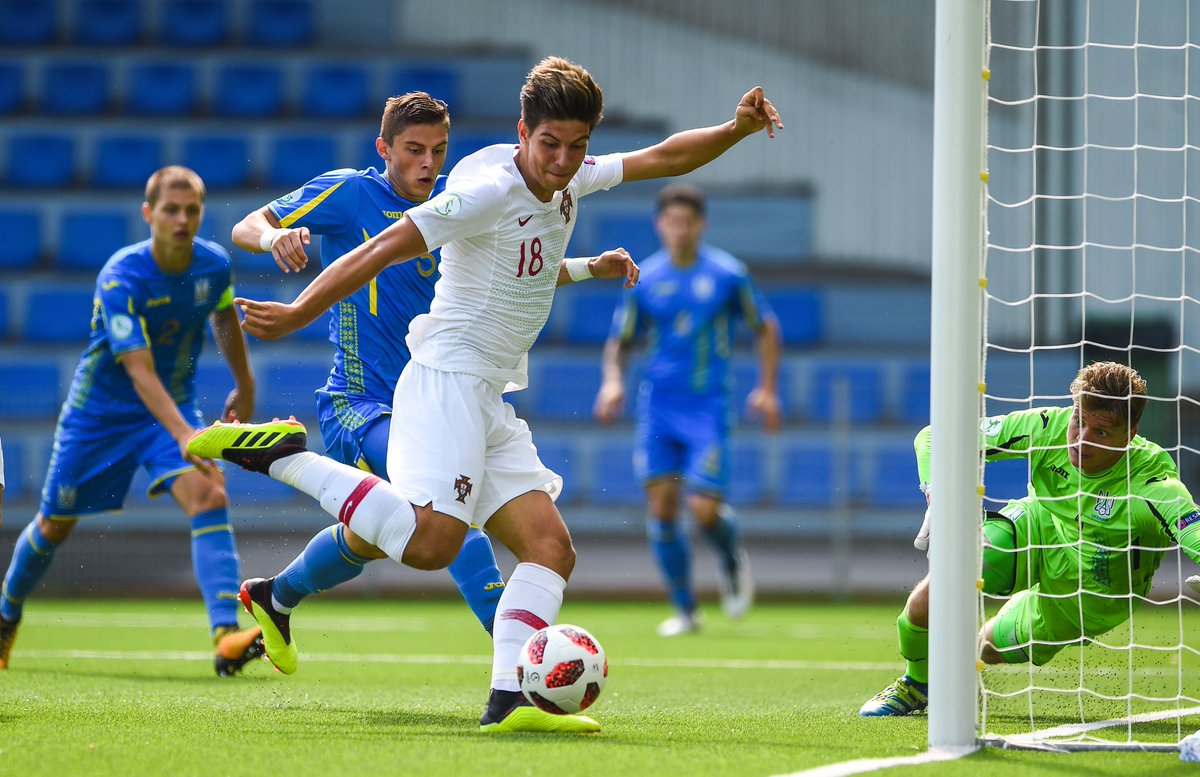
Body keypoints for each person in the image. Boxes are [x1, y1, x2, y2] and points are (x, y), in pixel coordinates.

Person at [189, 55, 782, 733]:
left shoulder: (568, 174)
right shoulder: (484, 191)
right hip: (444, 380)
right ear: (521, 131)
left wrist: (734, 130)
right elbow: (381, 246)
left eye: (577, 146)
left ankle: (510, 701)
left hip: (488, 392)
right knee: (437, 542)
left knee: (550, 548)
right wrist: (297, 312)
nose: (563, 161)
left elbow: (662, 156)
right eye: (550, 144)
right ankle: (281, 456)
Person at [229, 92, 505, 635]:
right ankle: (520, 672)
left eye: (439, 150)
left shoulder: (453, 205)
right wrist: (274, 235)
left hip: (436, 404)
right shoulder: (352, 192)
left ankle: (274, 597)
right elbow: (246, 226)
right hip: (361, 404)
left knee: (377, 536)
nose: (428, 163)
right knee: (453, 520)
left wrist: (587, 267)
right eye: (414, 149)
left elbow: (516, 272)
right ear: (384, 148)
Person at [0, 166, 265, 676]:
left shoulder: (213, 266)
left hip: (173, 407)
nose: (182, 219)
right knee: (55, 524)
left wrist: (247, 386)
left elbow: (224, 316)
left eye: (192, 210)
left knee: (209, 494)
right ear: (149, 214)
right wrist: (187, 434)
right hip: (99, 416)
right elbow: (139, 370)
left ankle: (225, 636)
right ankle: (6, 613)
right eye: (171, 209)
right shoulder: (121, 276)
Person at [859, 361, 1200, 716]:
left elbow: (1194, 529)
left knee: (985, 648)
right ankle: (917, 684)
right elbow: (933, 436)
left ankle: (960, 675)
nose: (1081, 440)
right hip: (1040, 526)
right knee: (936, 589)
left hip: (1091, 589)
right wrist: (938, 493)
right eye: (1078, 422)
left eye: (1100, 433)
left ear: (1129, 436)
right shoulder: (1047, 427)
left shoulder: (1155, 487)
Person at [593, 183, 781, 637]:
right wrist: (613, 381)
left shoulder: (727, 275)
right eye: (671, 221)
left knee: (702, 509)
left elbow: (765, 327)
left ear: (701, 224)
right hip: (658, 406)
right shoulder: (646, 278)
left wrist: (767, 389)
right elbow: (620, 341)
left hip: (708, 405)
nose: (679, 229)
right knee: (661, 508)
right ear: (660, 225)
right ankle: (685, 609)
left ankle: (731, 556)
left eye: (688, 221)